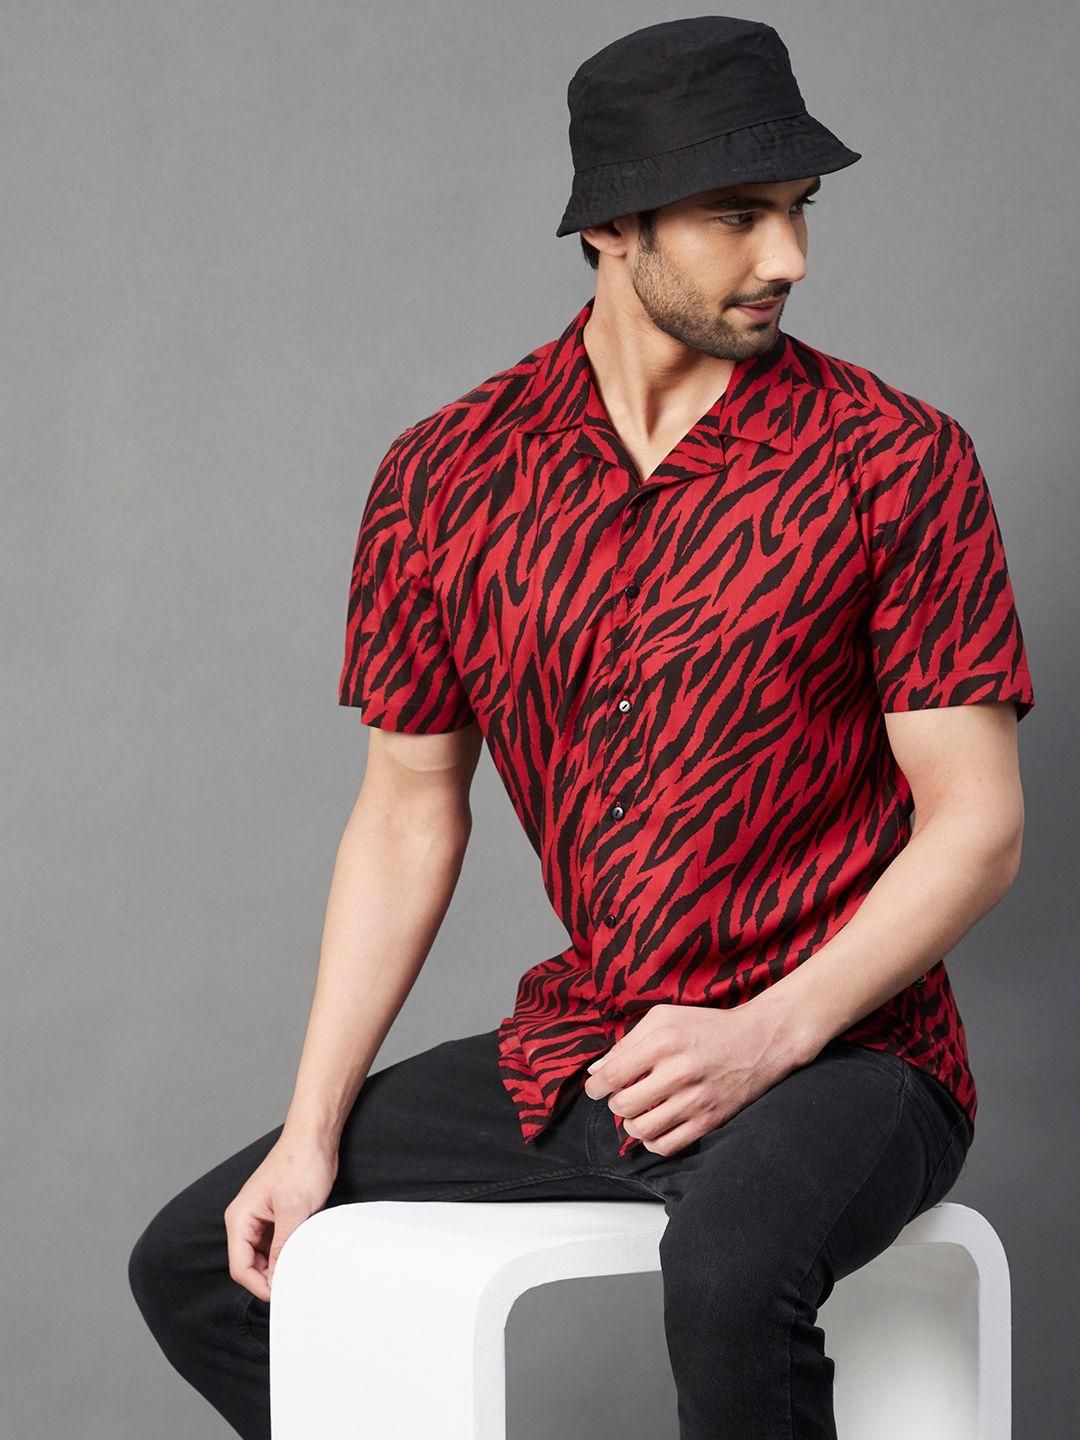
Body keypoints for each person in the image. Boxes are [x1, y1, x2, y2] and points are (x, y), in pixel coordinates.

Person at [127, 16, 1035, 1439]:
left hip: (852, 1054)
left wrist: (769, 1035)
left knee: (728, 1277)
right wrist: (311, 1135)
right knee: (206, 1266)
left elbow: (976, 825)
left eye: (799, 211)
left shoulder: (894, 459)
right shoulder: (445, 475)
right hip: (599, 1045)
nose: (789, 257)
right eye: (738, 215)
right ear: (614, 226)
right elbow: (406, 814)